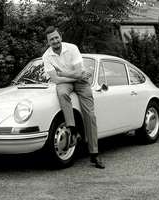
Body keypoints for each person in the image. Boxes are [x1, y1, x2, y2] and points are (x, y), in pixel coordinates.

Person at [42, 26, 105, 169]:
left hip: (81, 83)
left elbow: (77, 75)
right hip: (65, 84)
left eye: (56, 37)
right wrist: (69, 76)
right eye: (51, 39)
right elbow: (56, 81)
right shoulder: (46, 56)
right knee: (62, 93)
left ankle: (94, 154)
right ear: (48, 42)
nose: (55, 41)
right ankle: (73, 129)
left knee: (90, 114)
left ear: (61, 37)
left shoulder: (72, 48)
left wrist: (62, 74)